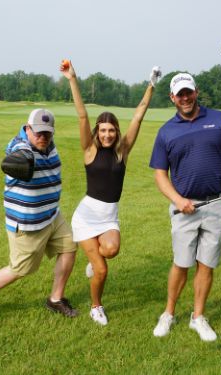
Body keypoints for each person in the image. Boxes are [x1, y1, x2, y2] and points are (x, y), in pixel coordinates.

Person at [149, 72, 221, 342]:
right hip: (184, 208)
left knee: (206, 264)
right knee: (181, 263)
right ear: (172, 98)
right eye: (180, 94)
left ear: (196, 92)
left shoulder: (220, 120)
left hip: (219, 204)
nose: (185, 98)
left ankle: (198, 317)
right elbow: (159, 175)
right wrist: (178, 200)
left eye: (189, 92)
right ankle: (169, 313)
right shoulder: (166, 131)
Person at [60, 61, 158, 325]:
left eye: (111, 130)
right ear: (97, 132)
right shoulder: (89, 150)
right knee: (102, 270)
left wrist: (151, 85)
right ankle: (96, 306)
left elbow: (138, 115)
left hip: (109, 218)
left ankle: (93, 262)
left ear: (116, 132)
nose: (106, 134)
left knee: (111, 249)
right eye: (102, 130)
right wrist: (72, 79)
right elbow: (82, 115)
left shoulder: (122, 151)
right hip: (86, 217)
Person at [0, 109, 78, 321]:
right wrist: (22, 160)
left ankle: (55, 299)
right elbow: (17, 155)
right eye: (38, 133)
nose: (43, 137)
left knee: (69, 247)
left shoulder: (49, 145)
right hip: (29, 223)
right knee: (20, 269)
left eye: (47, 133)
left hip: (52, 216)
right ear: (27, 129)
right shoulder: (21, 147)